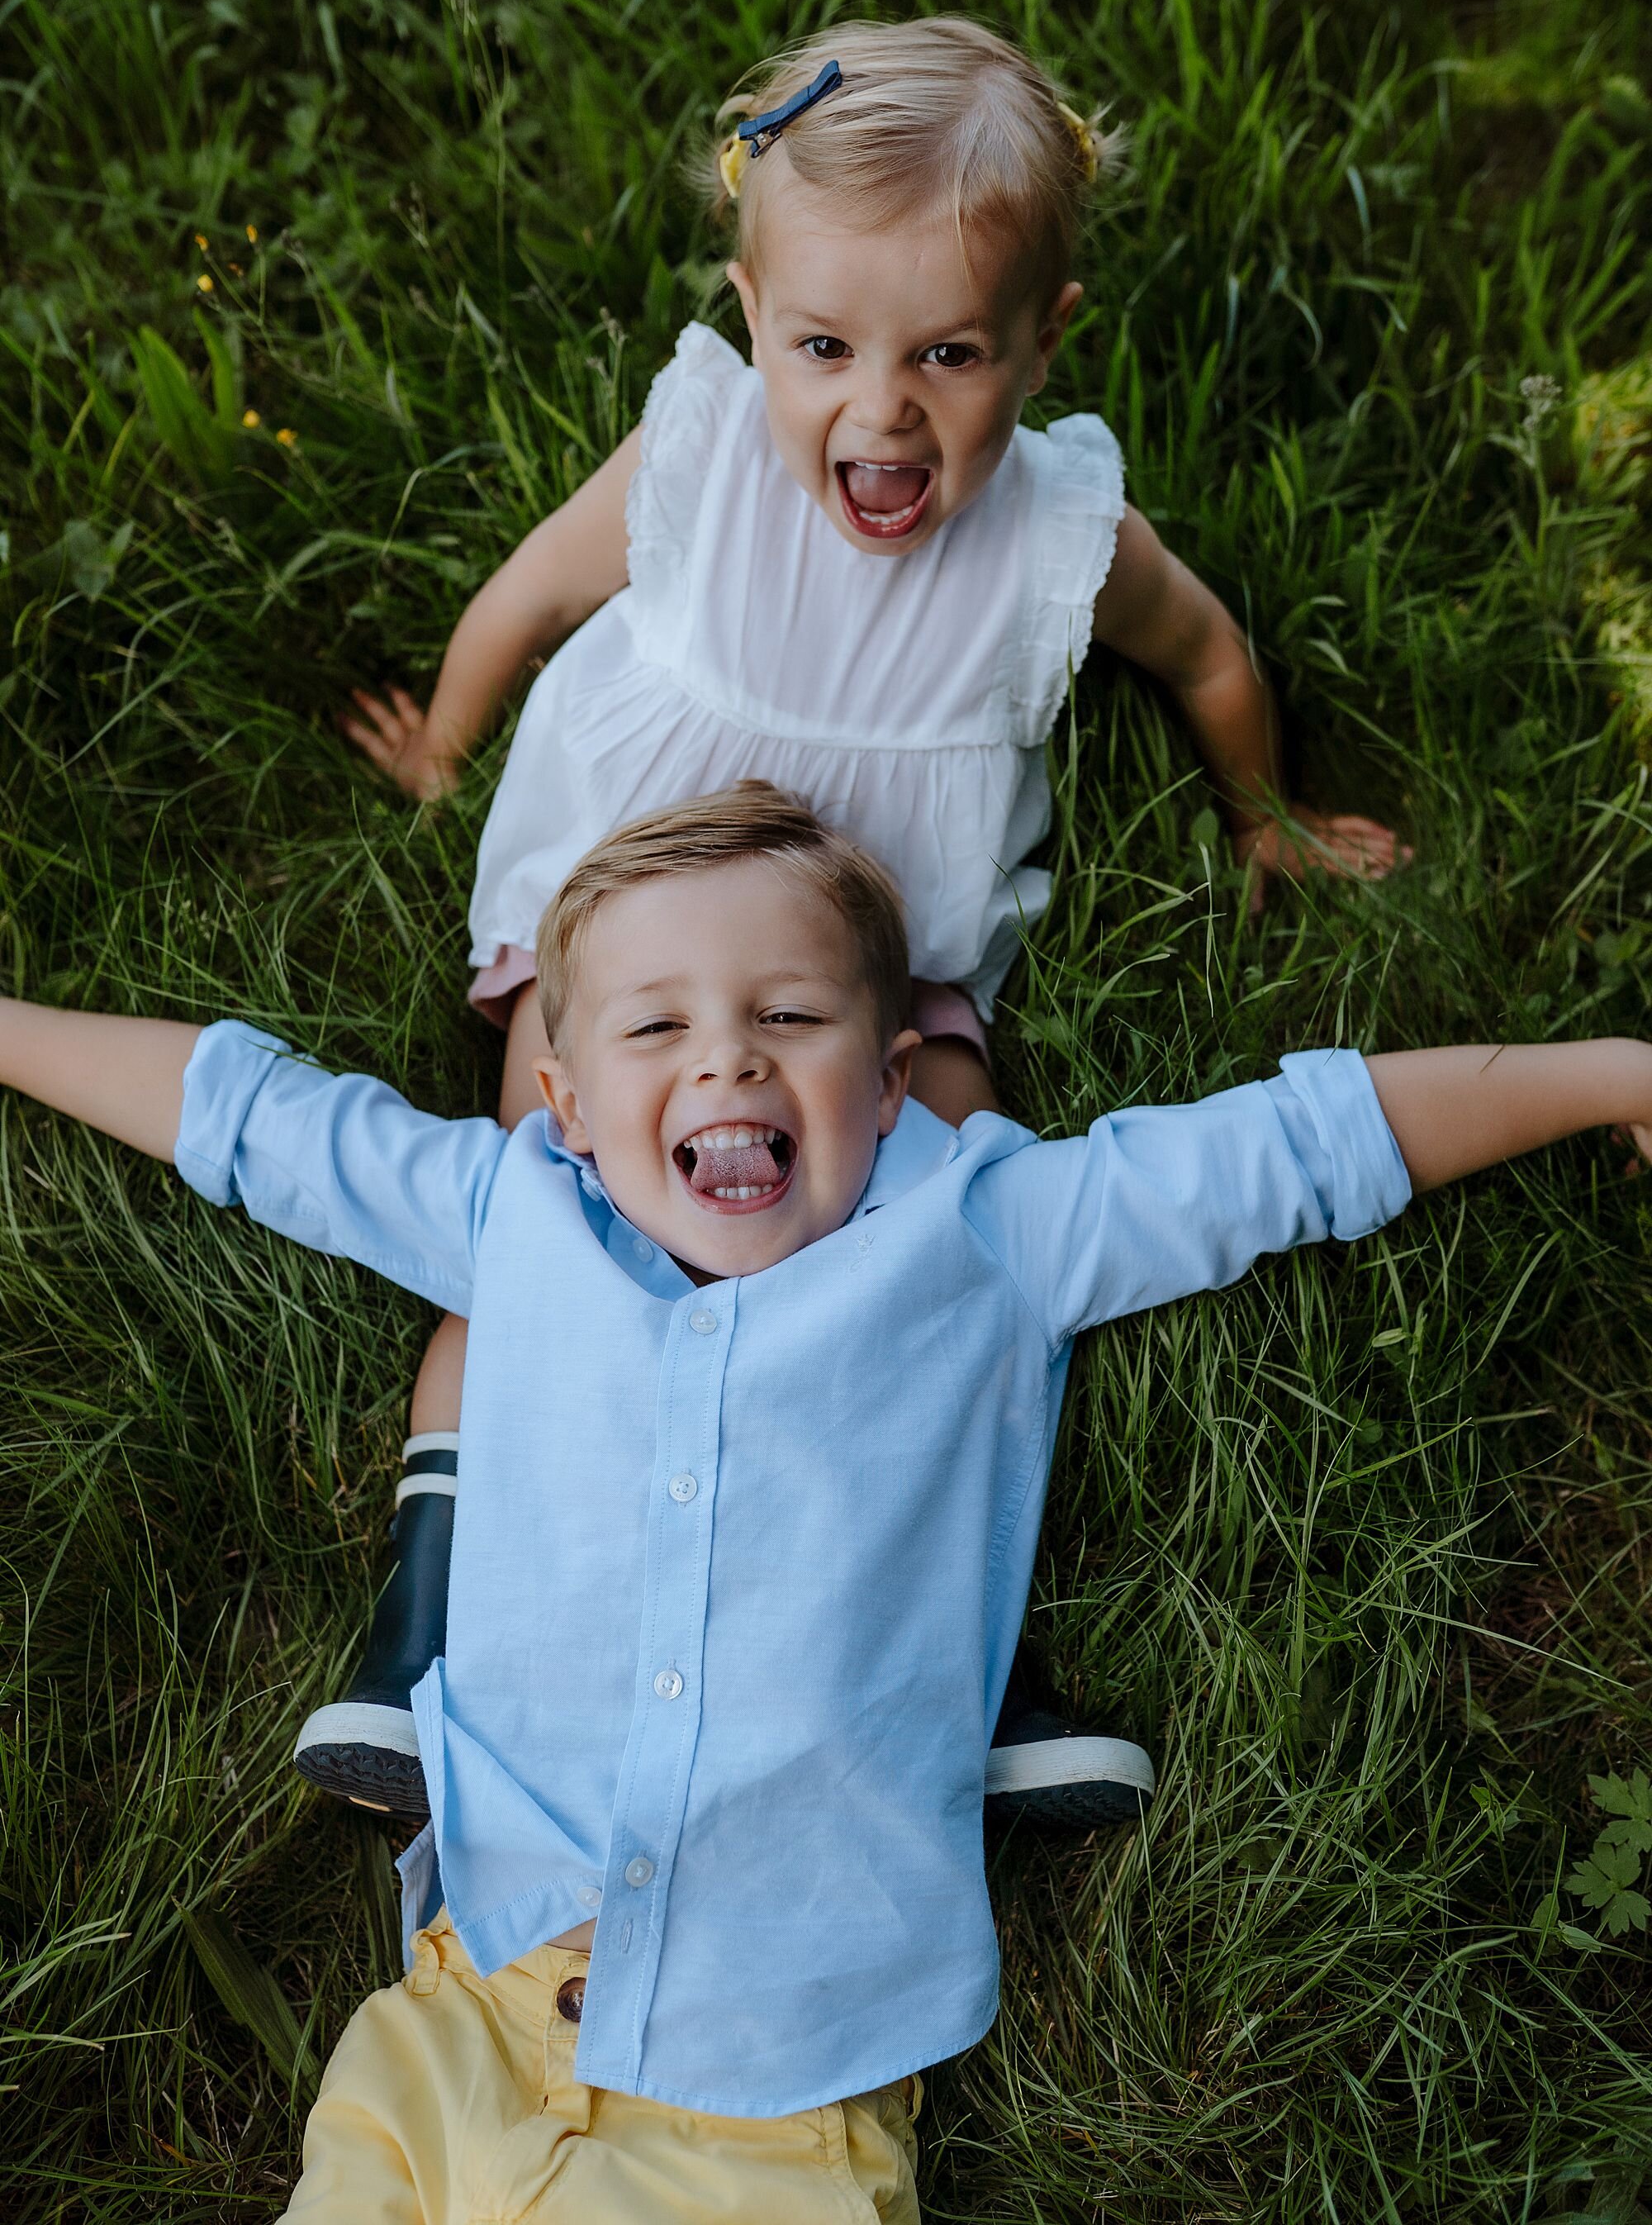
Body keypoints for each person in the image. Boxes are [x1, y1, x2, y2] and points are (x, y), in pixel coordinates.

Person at [0, 782, 1645, 2224]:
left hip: (779, 2084)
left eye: (787, 1014)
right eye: (655, 1026)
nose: (723, 1049)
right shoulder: (516, 1214)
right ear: (567, 1102)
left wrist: (1605, 1073)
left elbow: (1292, 1151)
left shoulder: (992, 1230)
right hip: (461, 2019)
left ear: (886, 1080)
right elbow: (254, 1116)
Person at [330, 13, 1404, 1828]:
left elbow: (1208, 650)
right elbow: (527, 588)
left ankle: (969, 1665)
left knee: (957, 1234)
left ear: (1039, 345)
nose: (881, 409)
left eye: (949, 354)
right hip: (640, 946)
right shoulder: (698, 469)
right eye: (823, 346)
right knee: (543, 1220)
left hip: (877, 972)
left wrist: (1266, 813)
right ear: (753, 315)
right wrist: (445, 740)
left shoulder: (1059, 536)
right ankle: (425, 1619)